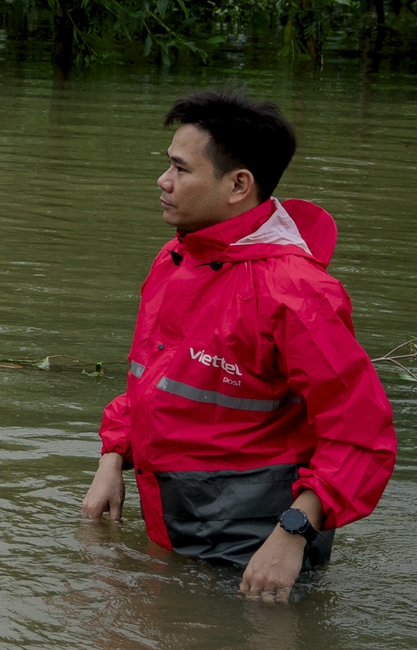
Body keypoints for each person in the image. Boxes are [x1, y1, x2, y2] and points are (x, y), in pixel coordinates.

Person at [80, 91, 396, 601]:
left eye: (181, 170)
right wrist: (113, 456)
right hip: (174, 513)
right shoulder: (176, 259)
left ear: (239, 185)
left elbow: (362, 434)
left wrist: (293, 533)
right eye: (168, 165)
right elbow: (154, 379)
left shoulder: (297, 294)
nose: (163, 181)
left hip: (259, 537)